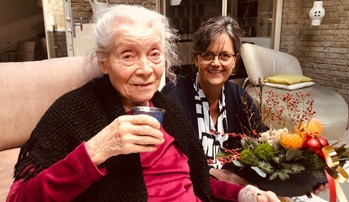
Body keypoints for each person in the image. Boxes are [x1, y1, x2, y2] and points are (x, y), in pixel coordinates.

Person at [6, 5, 280, 202]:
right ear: (103, 61)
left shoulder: (168, 111)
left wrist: (244, 194)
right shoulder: (72, 112)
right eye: (128, 55)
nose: (146, 69)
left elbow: (196, 181)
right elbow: (19, 198)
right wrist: (98, 149)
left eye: (154, 54)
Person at [161, 16, 328, 197]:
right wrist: (212, 173)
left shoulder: (239, 97)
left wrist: (303, 176)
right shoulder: (173, 98)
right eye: (207, 55)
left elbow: (261, 141)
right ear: (196, 59)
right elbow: (167, 163)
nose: (216, 63)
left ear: (234, 60)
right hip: (191, 189)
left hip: (234, 191)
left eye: (224, 55)